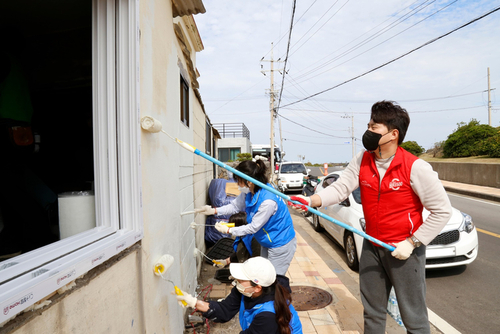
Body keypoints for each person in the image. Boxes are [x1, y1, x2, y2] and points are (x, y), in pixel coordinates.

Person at [289, 100, 452, 334]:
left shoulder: (415, 167)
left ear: (393, 134)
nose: (368, 131)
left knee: (414, 317)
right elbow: (340, 188)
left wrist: (412, 242)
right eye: (368, 125)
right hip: (372, 246)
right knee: (372, 313)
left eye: (374, 127)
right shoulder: (362, 159)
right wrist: (310, 200)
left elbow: (442, 211)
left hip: (404, 251)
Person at [197, 159, 297, 275]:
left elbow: (253, 227)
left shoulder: (268, 201)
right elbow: (234, 206)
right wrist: (213, 210)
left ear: (249, 182)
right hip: (267, 241)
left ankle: (280, 293)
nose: (237, 185)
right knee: (264, 275)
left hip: (280, 243)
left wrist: (229, 230)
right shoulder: (250, 192)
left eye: (239, 181)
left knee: (274, 279)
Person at [174, 256, 303, 334]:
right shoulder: (245, 290)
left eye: (241, 280)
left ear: (257, 287)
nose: (236, 282)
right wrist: (194, 302)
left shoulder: (268, 315)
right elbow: (224, 310)